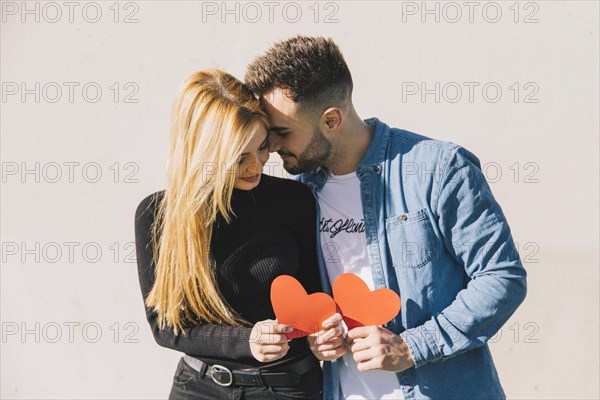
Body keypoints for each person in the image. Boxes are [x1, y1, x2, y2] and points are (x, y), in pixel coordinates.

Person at [245, 36, 528, 399]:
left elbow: (502, 277)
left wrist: (411, 348)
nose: (271, 148)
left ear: (331, 119)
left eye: (282, 133)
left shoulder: (437, 170)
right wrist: (317, 339)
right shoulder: (301, 193)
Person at [134, 69, 323, 400]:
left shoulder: (294, 201)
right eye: (239, 159)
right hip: (199, 388)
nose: (256, 167)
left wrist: (325, 333)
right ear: (202, 156)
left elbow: (315, 299)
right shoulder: (158, 215)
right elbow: (164, 326)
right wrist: (246, 341)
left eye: (263, 148)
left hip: (288, 388)